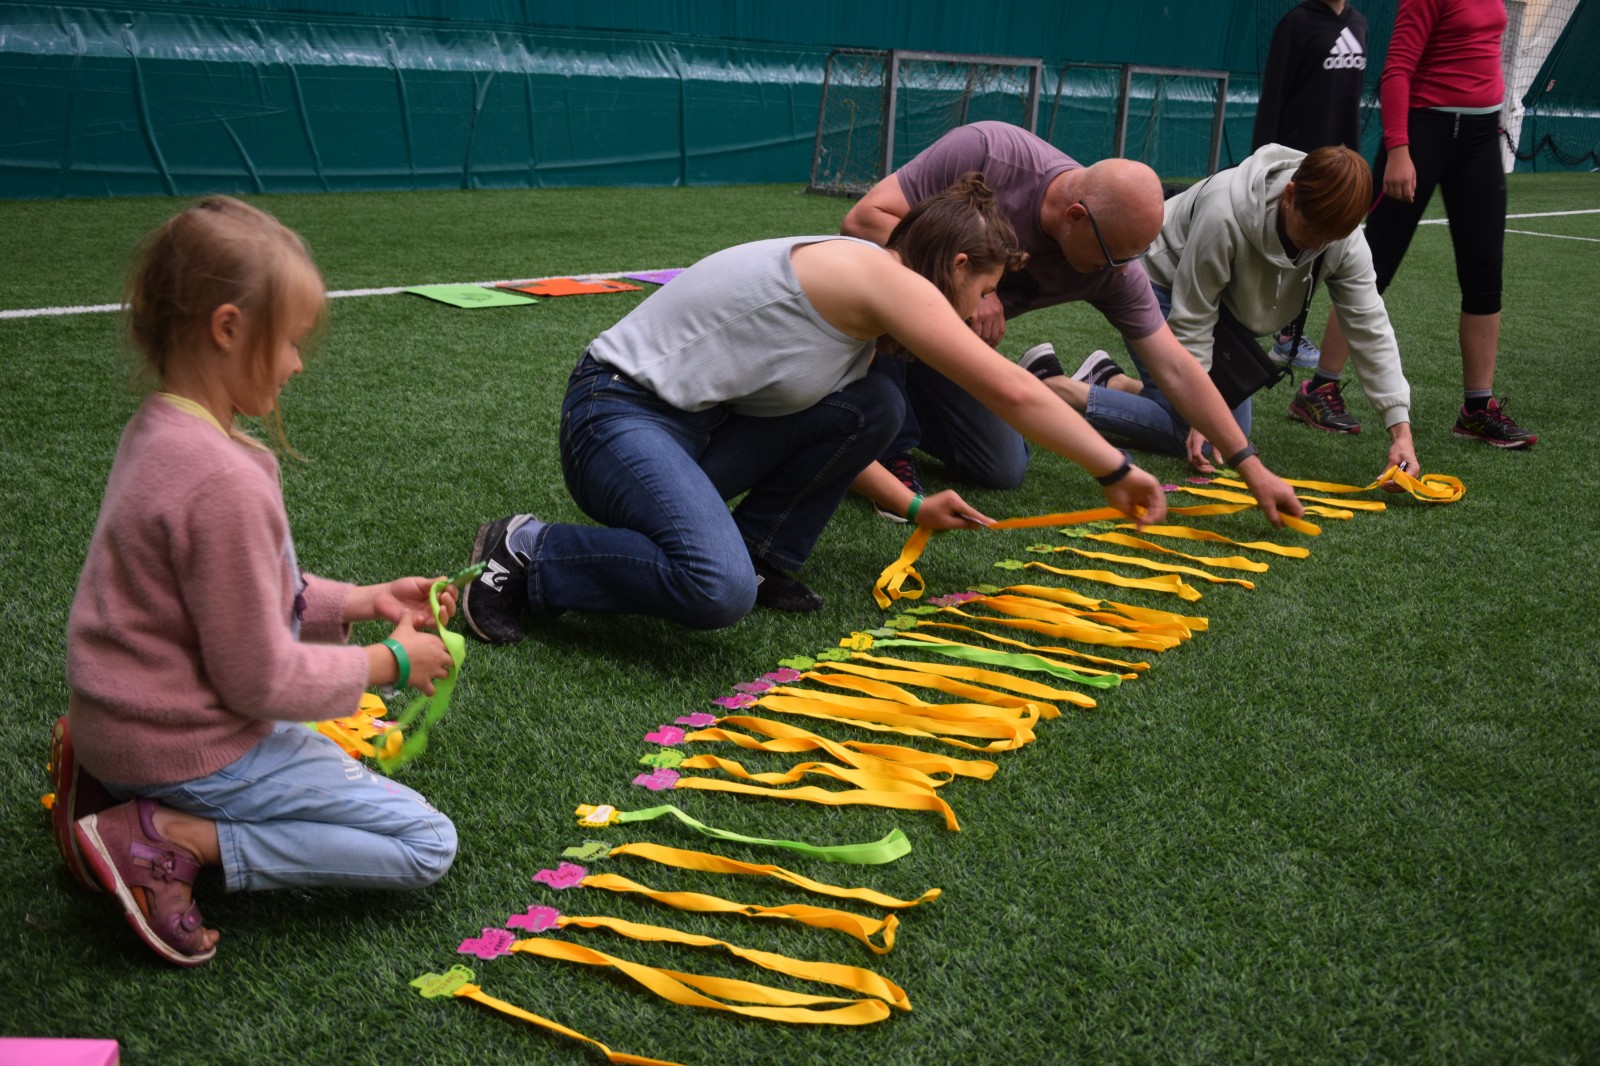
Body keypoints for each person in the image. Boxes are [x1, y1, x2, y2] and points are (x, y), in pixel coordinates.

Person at [460, 176, 1169, 644]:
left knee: (876, 403)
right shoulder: (880, 277)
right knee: (715, 588)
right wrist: (1114, 467)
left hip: (690, 431)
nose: (987, 308)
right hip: (612, 417)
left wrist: (913, 504)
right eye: (985, 287)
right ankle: (528, 551)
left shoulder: (872, 310)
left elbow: (844, 432)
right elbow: (1011, 390)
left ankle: (764, 555)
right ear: (956, 265)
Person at [57, 196, 459, 968]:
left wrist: (361, 601)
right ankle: (166, 839)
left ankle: (110, 786)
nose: (298, 363)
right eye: (291, 342)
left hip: (123, 718)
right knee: (426, 843)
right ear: (230, 327)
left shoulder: (161, 429)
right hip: (189, 743)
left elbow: (235, 590)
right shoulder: (221, 479)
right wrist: (393, 664)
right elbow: (259, 677)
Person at [839, 121, 1303, 525]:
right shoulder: (988, 151)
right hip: (886, 325)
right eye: (1115, 256)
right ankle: (887, 442)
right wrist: (958, 284)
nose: (1122, 271)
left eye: (1134, 256)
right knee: (895, 297)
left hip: (953, 346)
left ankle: (898, 408)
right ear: (1076, 216)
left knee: (1003, 468)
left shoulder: (1115, 262)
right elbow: (863, 221)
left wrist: (1250, 466)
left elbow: (1176, 366)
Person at [1028, 145, 1420, 481]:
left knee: (1222, 428)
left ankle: (1105, 380)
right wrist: (1198, 412)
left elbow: (1369, 324)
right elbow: (1193, 316)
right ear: (1289, 195)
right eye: (1312, 229)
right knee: (1208, 431)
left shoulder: (1341, 236)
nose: (1317, 245)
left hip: (1225, 310)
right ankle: (1057, 388)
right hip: (1161, 281)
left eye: (1329, 238)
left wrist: (1399, 428)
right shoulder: (1225, 213)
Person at [1315, 0, 1536, 448]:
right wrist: (1399, 148)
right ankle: (1318, 388)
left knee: (1484, 273)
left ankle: (1477, 408)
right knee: (1371, 268)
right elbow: (1396, 70)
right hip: (1422, 132)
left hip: (1479, 137)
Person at [1252, 0, 1371, 369]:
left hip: (1338, 163)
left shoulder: (1360, 25)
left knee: (1320, 252)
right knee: (1283, 246)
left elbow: (1349, 103)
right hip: (1295, 160)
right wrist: (1260, 161)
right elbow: (1273, 96)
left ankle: (1291, 332)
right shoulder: (1296, 23)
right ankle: (1282, 334)